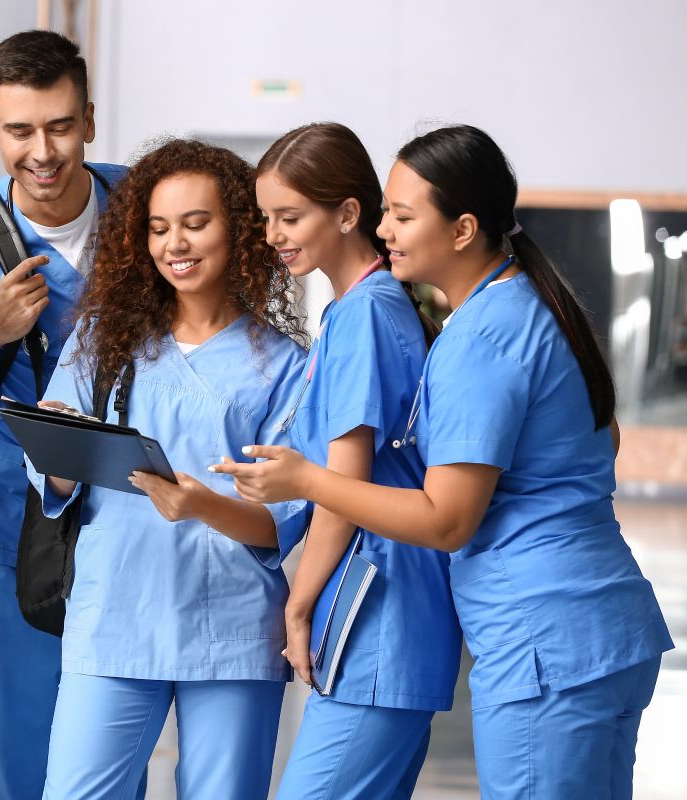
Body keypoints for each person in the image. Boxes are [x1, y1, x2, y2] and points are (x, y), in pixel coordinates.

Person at [215, 124, 673, 799]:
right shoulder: (531, 307)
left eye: (402, 215)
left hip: (544, 639)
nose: (385, 228)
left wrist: (307, 480)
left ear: (462, 229)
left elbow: (448, 519)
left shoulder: (479, 336)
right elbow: (598, 446)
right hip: (602, 626)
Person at [29, 138, 307, 799]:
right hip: (114, 615)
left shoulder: (284, 367)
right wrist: (56, 450)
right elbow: (52, 481)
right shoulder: (103, 341)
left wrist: (200, 503)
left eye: (194, 223)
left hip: (230, 631)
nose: (174, 244)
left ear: (240, 231)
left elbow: (283, 525)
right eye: (157, 228)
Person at [0, 29, 127, 800]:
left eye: (58, 125)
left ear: (88, 117)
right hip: (3, 524)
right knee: (17, 755)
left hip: (123, 516)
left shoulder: (142, 215)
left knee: (111, 751)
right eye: (19, 131)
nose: (42, 151)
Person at [245, 122, 461, 799]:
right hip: (387, 611)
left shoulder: (366, 312)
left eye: (291, 216)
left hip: (384, 610)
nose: (275, 233)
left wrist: (298, 604)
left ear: (346, 214)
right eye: (266, 218)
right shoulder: (355, 309)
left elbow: (344, 483)